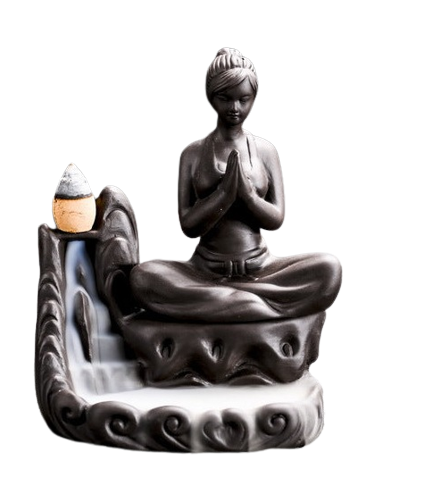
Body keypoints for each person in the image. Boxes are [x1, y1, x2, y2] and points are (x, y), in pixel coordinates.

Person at [130, 48, 342, 323]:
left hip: (261, 269)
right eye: (225, 98)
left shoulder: (265, 151)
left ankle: (233, 302)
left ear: (254, 97)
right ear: (211, 96)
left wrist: (247, 196)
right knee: (142, 277)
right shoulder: (193, 154)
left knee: (329, 269)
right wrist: (223, 195)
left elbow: (276, 218)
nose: (235, 108)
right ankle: (255, 306)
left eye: (244, 99)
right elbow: (188, 225)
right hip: (205, 270)